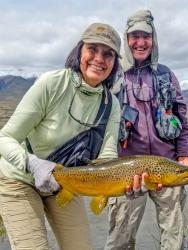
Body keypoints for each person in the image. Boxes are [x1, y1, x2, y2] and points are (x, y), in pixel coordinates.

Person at [0, 22, 122, 250]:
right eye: (92, 49)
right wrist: (33, 164)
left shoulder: (111, 104)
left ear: (114, 64)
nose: (99, 58)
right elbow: (5, 138)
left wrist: (122, 182)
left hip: (66, 183)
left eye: (108, 54)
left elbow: (107, 156)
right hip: (19, 179)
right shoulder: (52, 83)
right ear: (79, 51)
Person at [105, 10, 188, 250]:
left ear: (154, 39)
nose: (141, 42)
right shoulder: (112, 75)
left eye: (146, 36)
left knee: (173, 237)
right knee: (120, 239)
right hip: (127, 173)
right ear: (127, 38)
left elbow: (182, 121)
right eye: (135, 36)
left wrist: (184, 156)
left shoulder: (166, 75)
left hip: (167, 167)